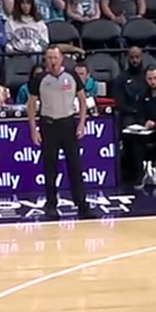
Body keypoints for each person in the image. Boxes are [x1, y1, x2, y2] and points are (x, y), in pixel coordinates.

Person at [26, 46, 96, 220]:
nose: (52, 61)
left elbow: (82, 100)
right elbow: (31, 105)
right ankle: (51, 205)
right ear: (45, 60)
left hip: (68, 124)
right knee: (50, 168)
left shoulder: (72, 76)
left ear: (61, 58)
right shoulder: (40, 79)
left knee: (75, 166)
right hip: (48, 125)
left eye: (55, 57)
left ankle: (82, 205)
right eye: (49, 58)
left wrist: (82, 123)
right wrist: (33, 129)